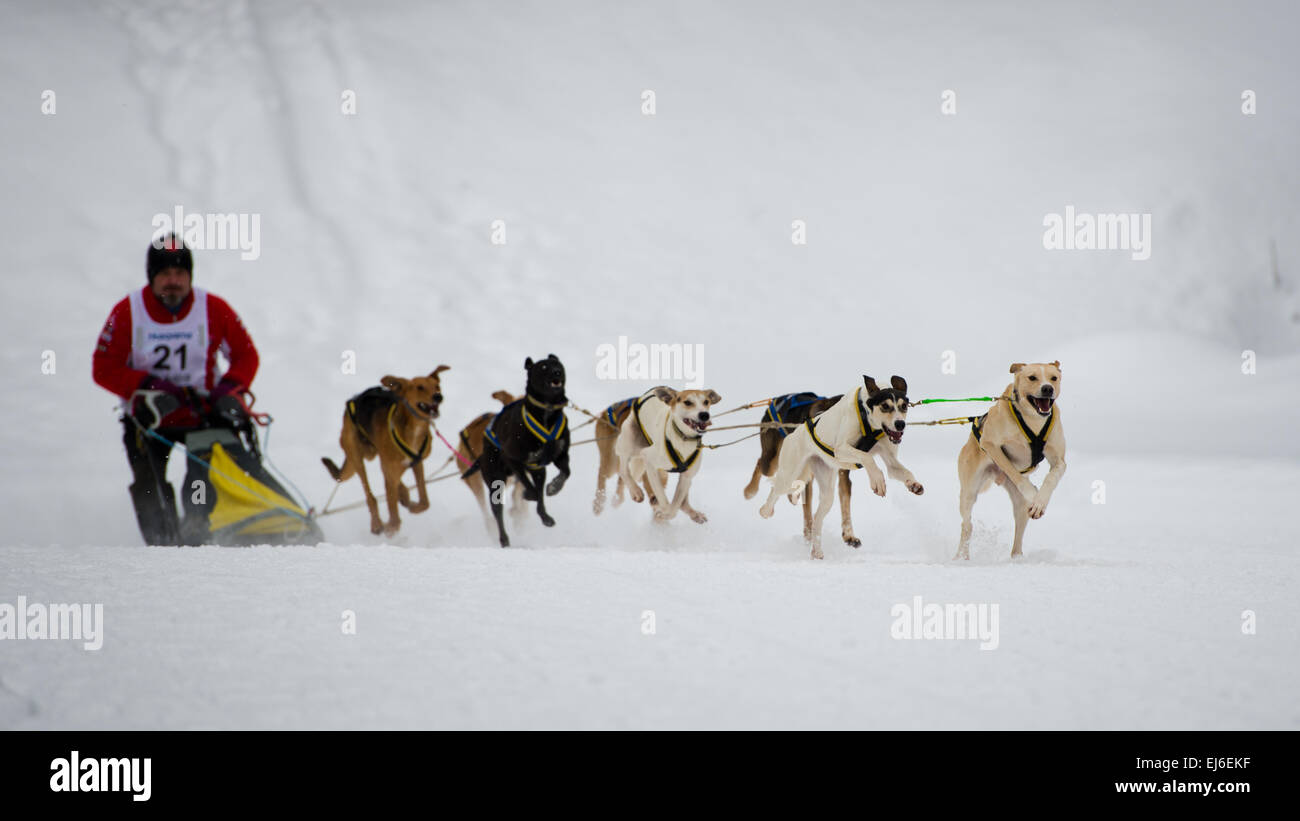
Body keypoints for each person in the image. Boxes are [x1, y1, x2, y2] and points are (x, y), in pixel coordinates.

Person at [93, 233, 260, 544]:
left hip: (203, 413)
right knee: (149, 484)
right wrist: (149, 385)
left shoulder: (212, 308)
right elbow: (103, 367)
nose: (173, 281)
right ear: (151, 277)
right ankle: (163, 542)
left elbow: (245, 354)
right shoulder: (128, 312)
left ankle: (199, 531)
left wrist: (230, 388)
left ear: (190, 276)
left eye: (180, 273)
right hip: (150, 417)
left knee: (203, 477)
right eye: (165, 274)